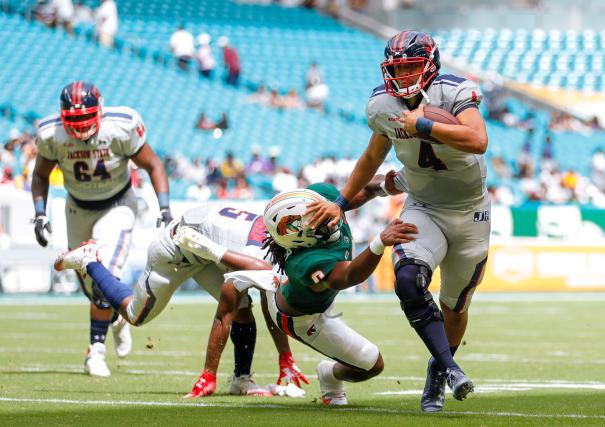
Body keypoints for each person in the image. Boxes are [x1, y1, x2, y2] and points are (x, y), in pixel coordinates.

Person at [305, 30, 489, 412]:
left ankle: (437, 369)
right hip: (423, 205)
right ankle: (451, 368)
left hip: (470, 210)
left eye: (411, 67)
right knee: (408, 278)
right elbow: (371, 159)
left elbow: (477, 140)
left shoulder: (454, 91)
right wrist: (340, 202)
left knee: (454, 306)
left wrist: (424, 125)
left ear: (431, 65)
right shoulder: (382, 105)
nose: (404, 77)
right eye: (398, 69)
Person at [187, 183, 418, 405]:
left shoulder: (318, 200)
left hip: (309, 289)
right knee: (372, 364)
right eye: (316, 219)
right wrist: (379, 242)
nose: (326, 214)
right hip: (302, 318)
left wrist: (398, 181)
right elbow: (349, 276)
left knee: (265, 275)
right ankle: (329, 374)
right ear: (303, 237)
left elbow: (366, 188)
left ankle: (252, 272)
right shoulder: (305, 262)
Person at [54, 204, 308, 396]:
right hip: (176, 249)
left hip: (207, 248)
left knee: (243, 306)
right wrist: (208, 375)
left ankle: (241, 379)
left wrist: (285, 357)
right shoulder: (259, 252)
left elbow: (269, 297)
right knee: (135, 315)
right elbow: (225, 311)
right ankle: (89, 260)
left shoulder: (274, 233)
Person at [32, 81, 172, 377]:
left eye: (86, 119)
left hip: (117, 205)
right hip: (78, 208)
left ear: (100, 111)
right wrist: (40, 214)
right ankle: (119, 318)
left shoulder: (121, 126)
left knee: (104, 272)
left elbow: (154, 164)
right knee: (89, 284)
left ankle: (95, 350)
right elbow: (40, 175)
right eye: (74, 121)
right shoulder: (50, 133)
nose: (81, 128)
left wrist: (164, 207)